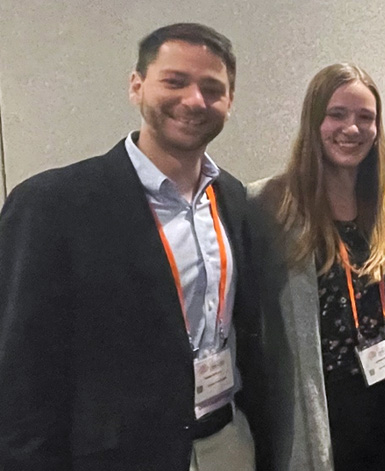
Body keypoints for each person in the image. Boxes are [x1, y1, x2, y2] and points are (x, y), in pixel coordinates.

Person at [0, 23, 262, 470]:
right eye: (175, 81)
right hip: (118, 457)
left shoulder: (234, 198)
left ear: (230, 102)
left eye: (212, 88)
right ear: (136, 86)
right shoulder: (54, 204)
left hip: (225, 443)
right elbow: (21, 370)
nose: (194, 101)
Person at [248, 63, 385, 470]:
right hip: (328, 406)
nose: (353, 128)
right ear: (314, 120)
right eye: (338, 114)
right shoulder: (271, 204)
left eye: (366, 117)